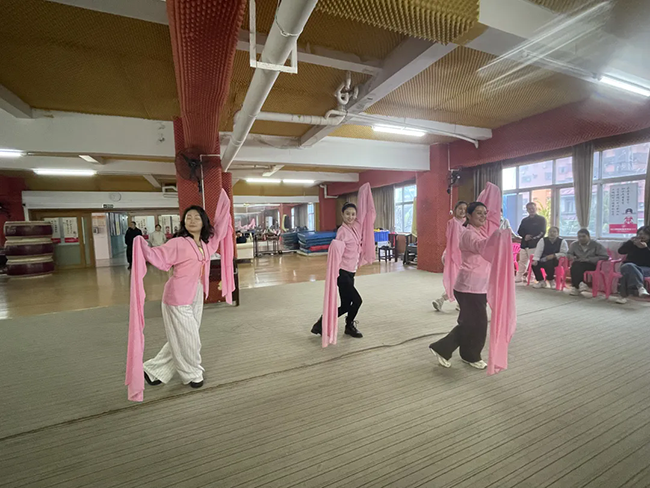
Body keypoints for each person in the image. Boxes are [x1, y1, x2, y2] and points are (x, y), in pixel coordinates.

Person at [130, 202, 233, 395]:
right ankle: (193, 373)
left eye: (196, 217)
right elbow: (157, 255)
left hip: (196, 292)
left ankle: (154, 370)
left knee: (182, 336)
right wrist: (140, 244)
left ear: (203, 222)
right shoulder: (178, 243)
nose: (192, 221)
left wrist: (224, 205)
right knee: (190, 338)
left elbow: (219, 231)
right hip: (177, 296)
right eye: (188, 217)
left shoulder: (205, 244)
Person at [428, 202, 500, 370]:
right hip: (469, 287)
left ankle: (468, 355)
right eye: (479, 213)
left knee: (471, 323)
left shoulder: (479, 231)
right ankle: (443, 348)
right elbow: (482, 247)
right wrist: (499, 236)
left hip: (477, 286)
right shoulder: (468, 234)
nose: (483, 216)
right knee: (476, 324)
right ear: (468, 215)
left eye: (485, 213)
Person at [311, 191, 375, 340]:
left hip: (351, 272)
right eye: (347, 214)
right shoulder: (342, 232)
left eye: (353, 214)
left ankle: (320, 324)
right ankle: (349, 325)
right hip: (342, 273)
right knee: (357, 301)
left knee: (346, 305)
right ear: (342, 215)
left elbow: (367, 214)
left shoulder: (356, 227)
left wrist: (365, 192)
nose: (350, 217)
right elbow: (336, 253)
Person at [433, 201, 467, 312]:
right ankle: (445, 300)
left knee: (460, 281)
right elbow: (453, 240)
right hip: (452, 255)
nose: (462, 211)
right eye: (460, 208)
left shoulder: (467, 223)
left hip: (463, 256)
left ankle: (449, 301)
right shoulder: (452, 222)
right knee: (456, 280)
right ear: (455, 209)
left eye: (465, 209)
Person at [566, 228, 609, 296]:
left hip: (592, 264)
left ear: (588, 236)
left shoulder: (596, 245)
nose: (581, 238)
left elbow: (605, 256)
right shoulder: (574, 244)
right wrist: (571, 257)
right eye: (579, 237)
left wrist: (588, 259)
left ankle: (576, 287)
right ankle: (580, 284)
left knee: (575, 266)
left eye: (583, 236)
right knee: (576, 265)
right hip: (579, 263)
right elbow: (569, 253)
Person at [615, 226, 650, 304]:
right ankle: (640, 287)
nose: (642, 236)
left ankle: (623, 296)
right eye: (640, 234)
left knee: (627, 271)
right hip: (629, 266)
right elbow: (621, 251)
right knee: (628, 267)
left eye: (645, 234)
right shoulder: (633, 243)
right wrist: (630, 242)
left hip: (646, 268)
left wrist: (645, 248)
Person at [515, 202, 547, 283]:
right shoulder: (524, 220)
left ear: (536, 208)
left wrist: (532, 237)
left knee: (533, 262)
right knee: (522, 261)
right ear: (527, 210)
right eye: (529, 209)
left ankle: (532, 277)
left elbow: (542, 232)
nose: (531, 210)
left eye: (532, 208)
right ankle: (519, 276)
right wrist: (525, 236)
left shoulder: (541, 219)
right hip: (524, 244)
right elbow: (519, 231)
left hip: (535, 244)